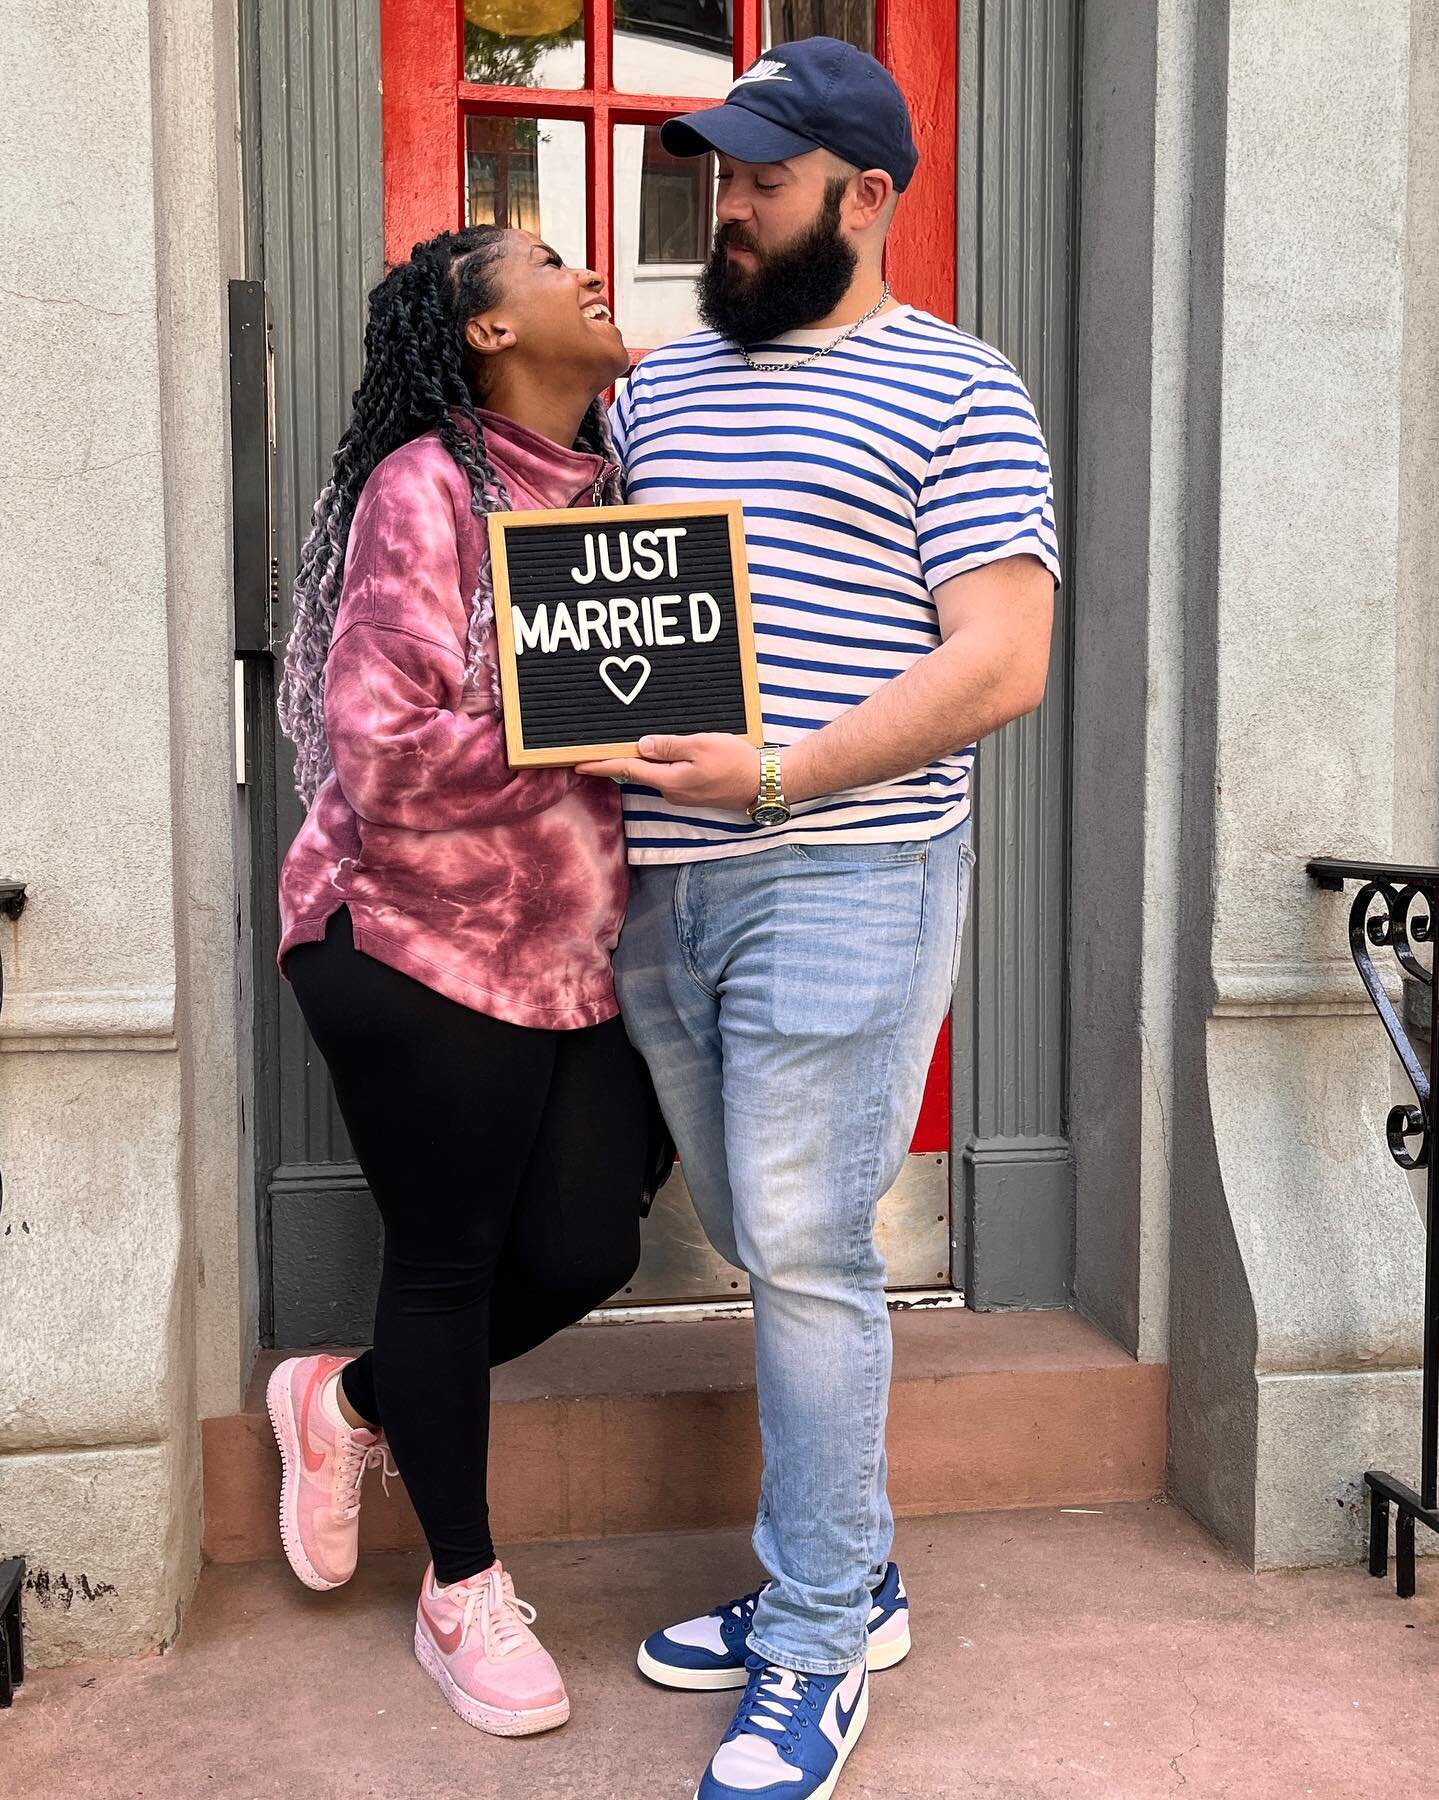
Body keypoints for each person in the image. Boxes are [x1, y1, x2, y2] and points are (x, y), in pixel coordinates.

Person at [581, 38, 1061, 1800]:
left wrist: (781, 776)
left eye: (763, 177)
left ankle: (810, 1647)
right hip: (666, 884)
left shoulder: (959, 388)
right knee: (758, 1230)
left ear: (866, 196)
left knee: (805, 1252)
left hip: (847, 869)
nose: (728, 201)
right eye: (717, 172)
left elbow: (1002, 659)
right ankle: (846, 1570)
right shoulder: (667, 385)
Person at [268, 224, 657, 1739]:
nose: (592, 273)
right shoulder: (423, 489)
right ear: (485, 332)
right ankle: (461, 1591)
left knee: (587, 1251)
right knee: (445, 1261)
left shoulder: (625, 492)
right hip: (410, 940)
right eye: (554, 261)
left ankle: (350, 1402)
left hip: (574, 957)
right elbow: (380, 755)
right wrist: (580, 723)